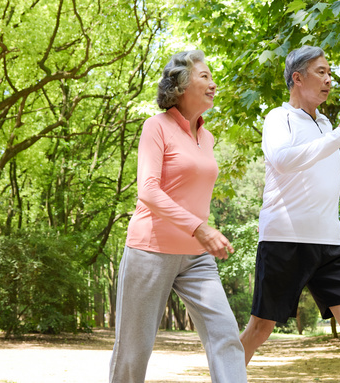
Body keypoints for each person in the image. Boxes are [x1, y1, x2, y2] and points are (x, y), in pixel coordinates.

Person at [108, 50, 247, 383]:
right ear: (182, 85)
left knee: (226, 334)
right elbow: (149, 191)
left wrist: (199, 234)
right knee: (134, 350)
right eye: (205, 77)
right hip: (151, 250)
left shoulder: (207, 137)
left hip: (196, 257)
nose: (214, 84)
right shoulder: (156, 127)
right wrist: (199, 228)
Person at [238, 45, 340, 382]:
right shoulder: (278, 118)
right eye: (321, 72)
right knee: (260, 328)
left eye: (330, 72)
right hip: (285, 239)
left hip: (329, 242)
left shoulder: (326, 124)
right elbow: (283, 160)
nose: (329, 79)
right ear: (297, 78)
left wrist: (335, 135)